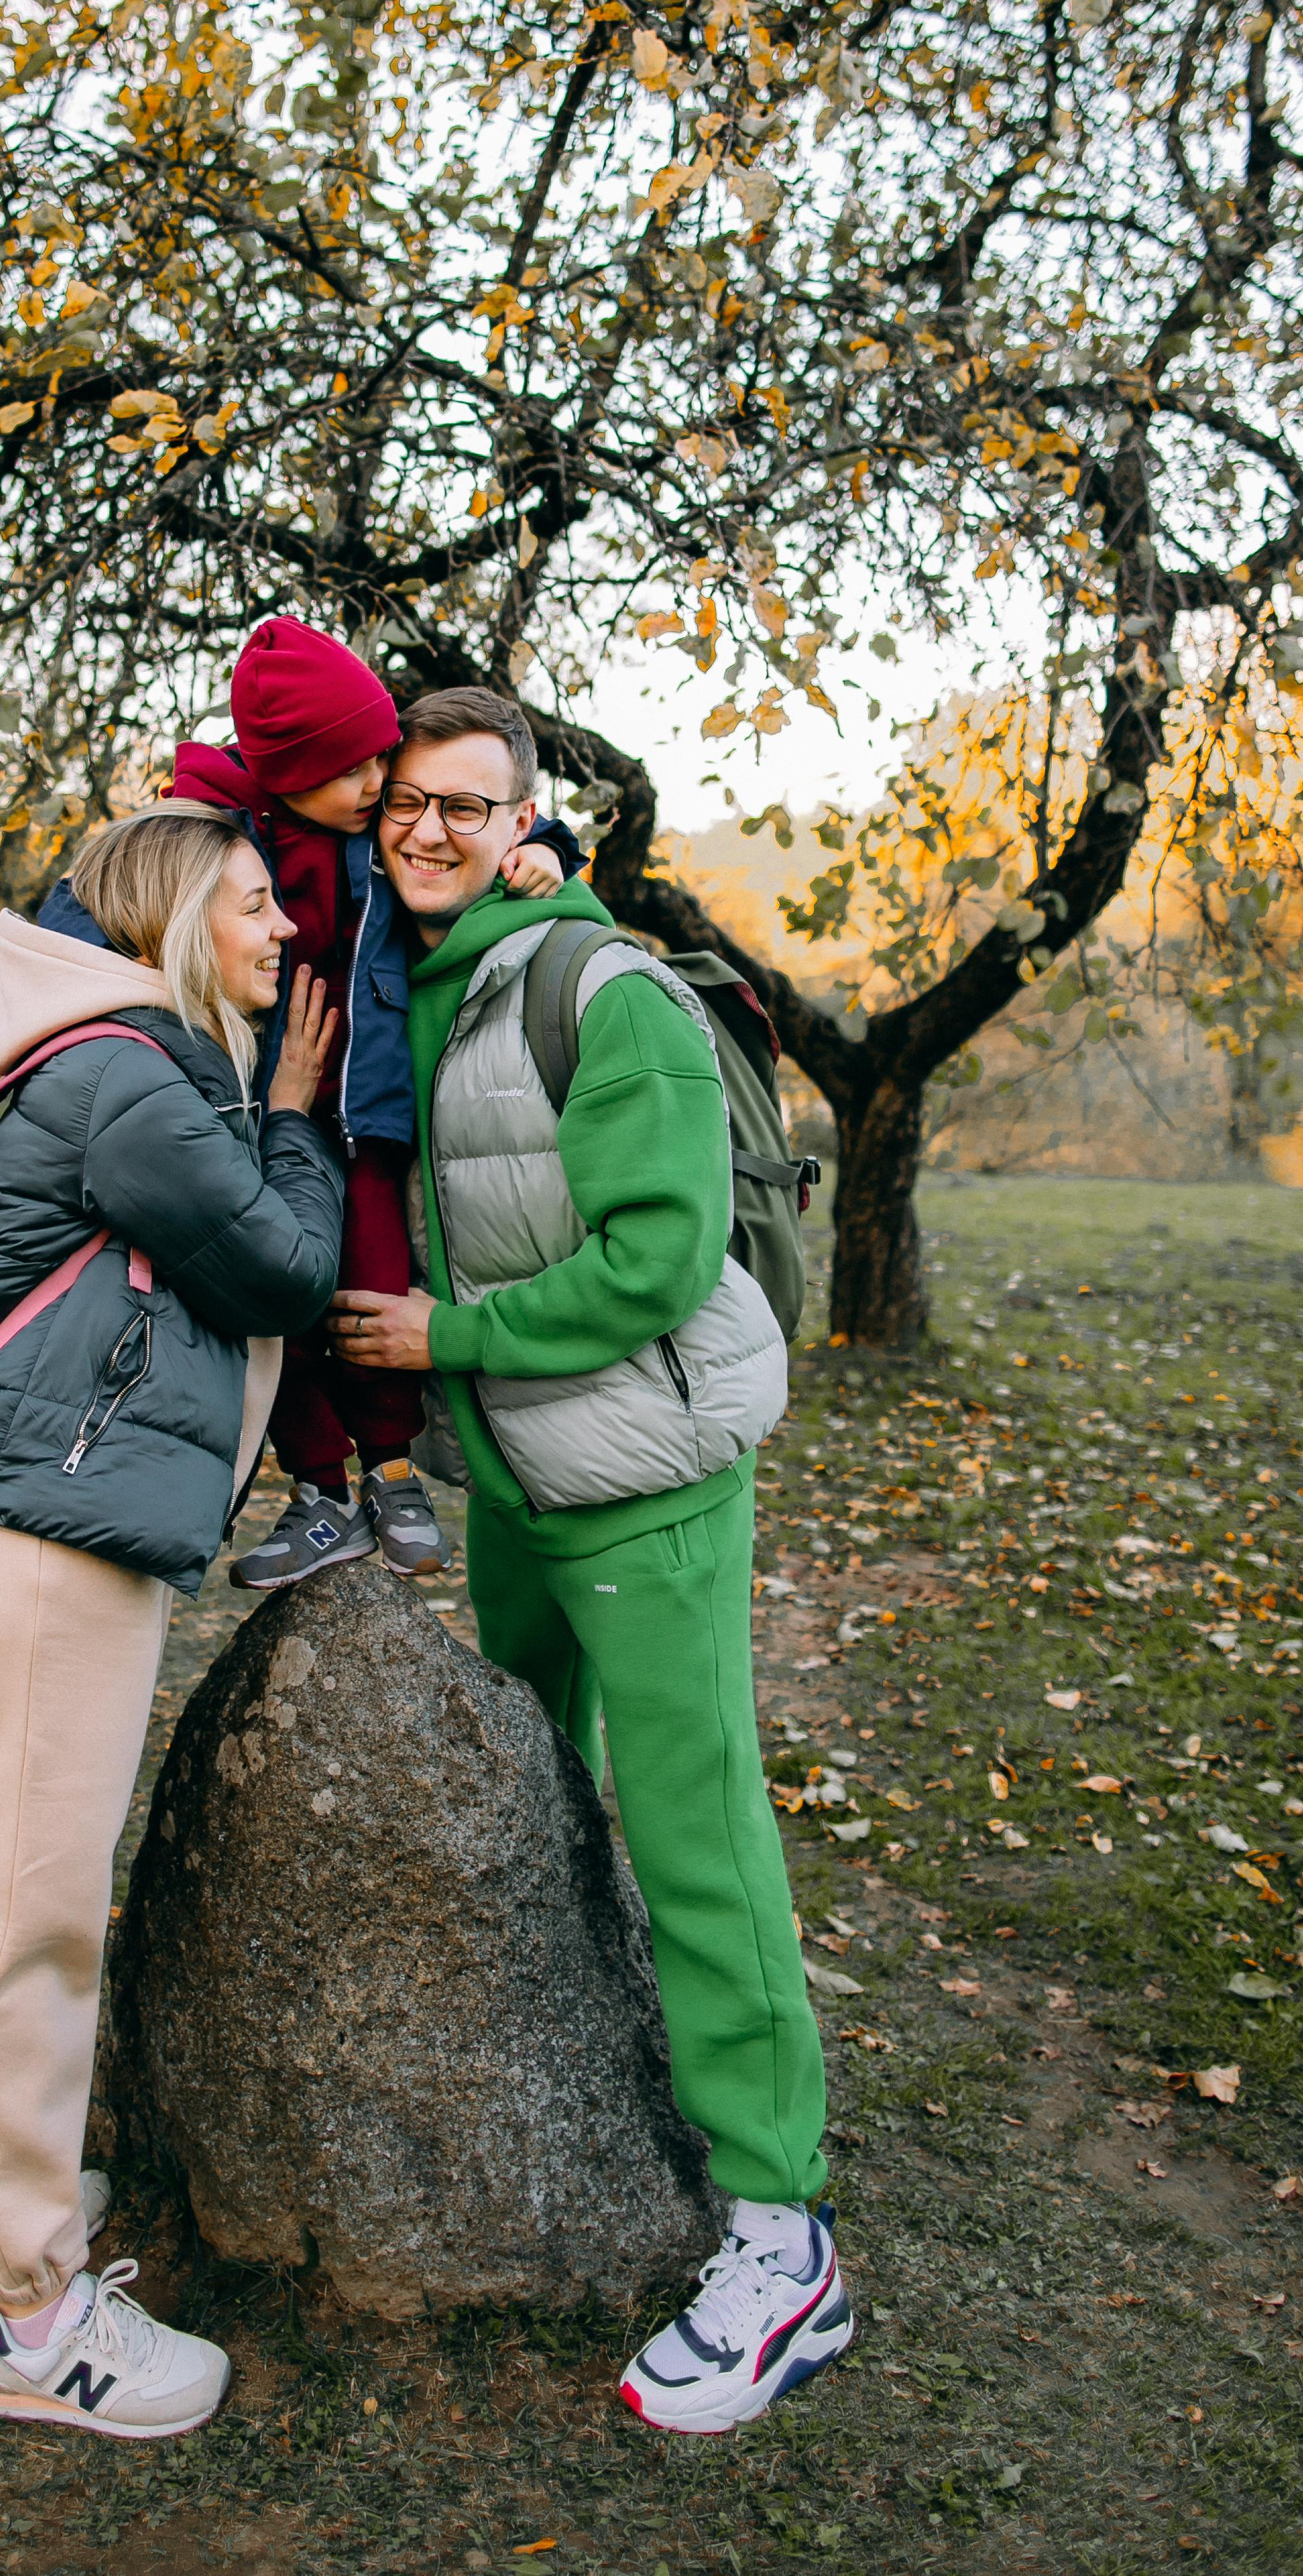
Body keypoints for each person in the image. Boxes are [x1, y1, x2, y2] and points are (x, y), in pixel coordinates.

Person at [328, 687, 850, 2438]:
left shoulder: (601, 991)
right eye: (408, 798)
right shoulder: (406, 975)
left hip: (642, 1481)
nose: (430, 829)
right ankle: (580, 2081)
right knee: (538, 1798)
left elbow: (652, 1257)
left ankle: (784, 2235)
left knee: (698, 1843)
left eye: (469, 805)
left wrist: (440, 1341)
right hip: (515, 1487)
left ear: (522, 820)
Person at [0, 803, 345, 2439]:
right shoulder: (133, 1074)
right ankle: (31, 2315)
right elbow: (280, 1269)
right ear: (165, 923)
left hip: (23, 1512)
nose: (282, 931)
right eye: (250, 905)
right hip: (47, 1527)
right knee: (37, 1915)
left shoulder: (94, 1051)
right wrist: (290, 1113)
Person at [34, 615, 574, 1591]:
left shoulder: (374, 836)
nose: (381, 787)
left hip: (364, 1105)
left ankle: (394, 1474)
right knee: (279, 1300)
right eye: (360, 769)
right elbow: (96, 902)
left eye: (384, 763)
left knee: (368, 1284)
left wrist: (557, 850)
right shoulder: (208, 835)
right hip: (256, 1106)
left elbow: (479, 838)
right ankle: (320, 1492)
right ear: (289, 771)